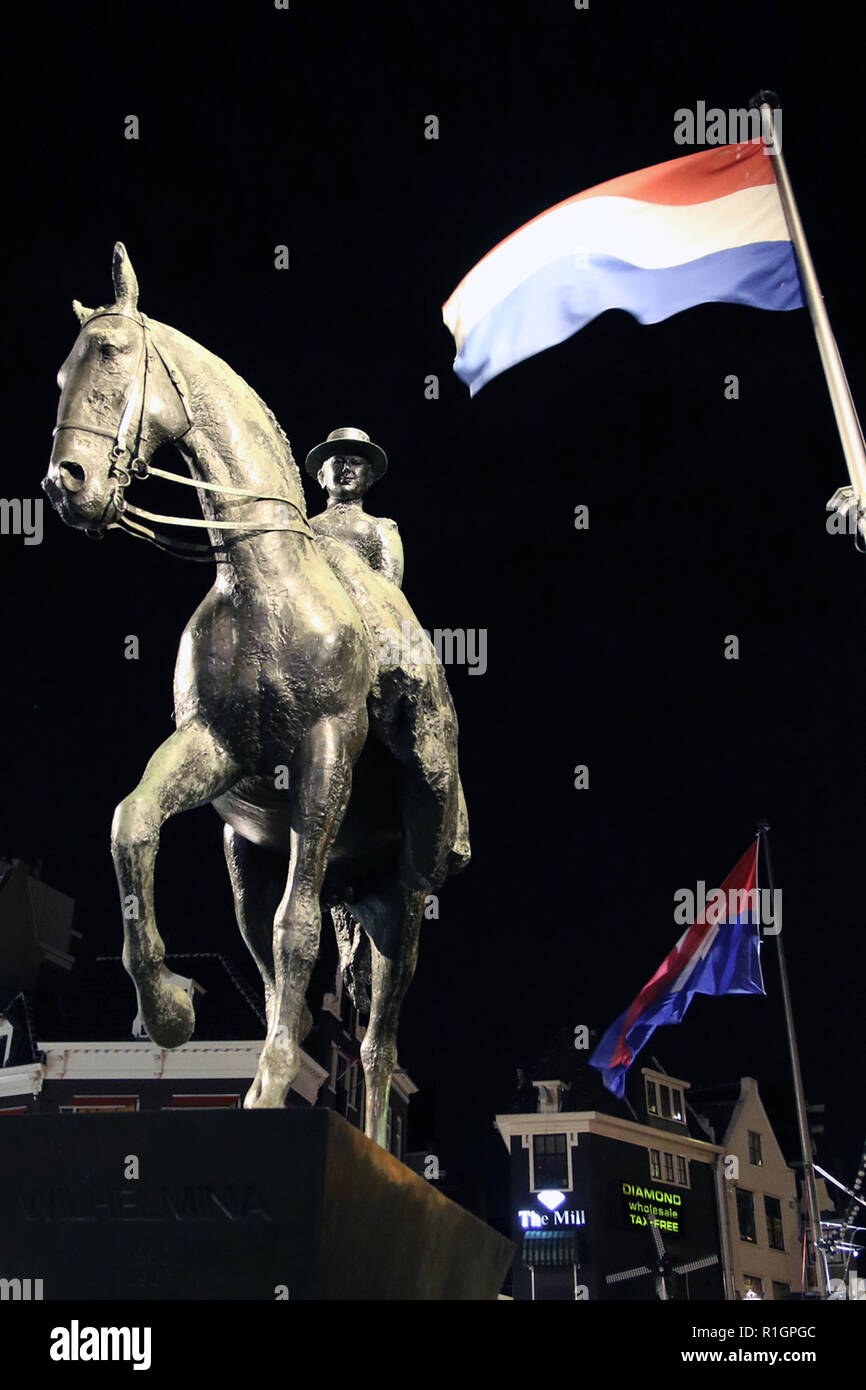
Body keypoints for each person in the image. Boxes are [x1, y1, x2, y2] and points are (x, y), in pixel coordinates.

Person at [305, 427, 403, 587]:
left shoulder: (382, 528)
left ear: (369, 477)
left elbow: (390, 592)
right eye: (338, 462)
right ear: (321, 476)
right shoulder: (305, 528)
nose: (346, 469)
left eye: (355, 463)